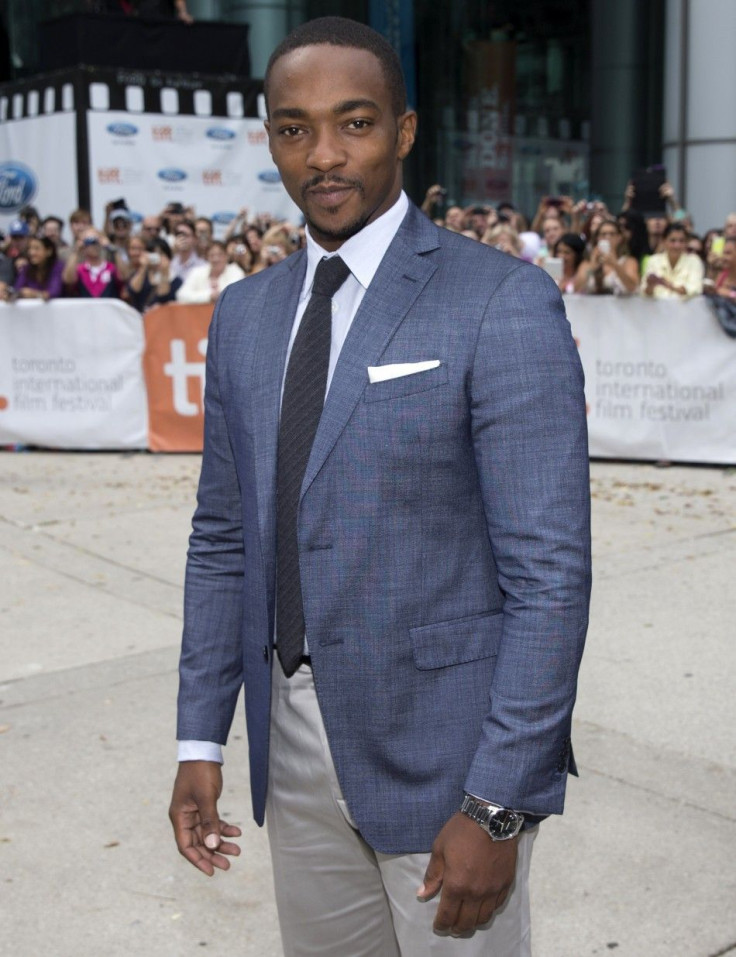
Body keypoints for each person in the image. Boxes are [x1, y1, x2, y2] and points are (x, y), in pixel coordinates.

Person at [169, 16, 590, 957]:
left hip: (446, 759)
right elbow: (223, 538)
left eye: (354, 123)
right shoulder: (243, 315)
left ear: (403, 130)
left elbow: (550, 577)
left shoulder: (499, 301)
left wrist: (498, 804)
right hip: (294, 742)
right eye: (294, 127)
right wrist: (201, 741)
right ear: (270, 137)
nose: (324, 154)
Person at [641, 222, 704, 300]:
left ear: (686, 243)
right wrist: (650, 286)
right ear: (664, 241)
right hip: (657, 309)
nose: (677, 246)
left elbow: (694, 291)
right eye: (672, 241)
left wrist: (666, 284)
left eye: (681, 241)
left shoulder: (694, 261)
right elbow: (645, 293)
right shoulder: (653, 260)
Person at [175, 240, 244, 303]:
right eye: (212, 255)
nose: (215, 259)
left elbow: (235, 294)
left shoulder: (236, 271)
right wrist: (209, 296)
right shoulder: (197, 272)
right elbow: (181, 295)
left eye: (220, 255)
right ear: (207, 257)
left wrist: (218, 295)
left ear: (226, 256)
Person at [583, 220, 639, 296]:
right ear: (597, 238)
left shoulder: (629, 262)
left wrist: (615, 265)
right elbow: (577, 289)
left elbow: (633, 288)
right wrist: (592, 267)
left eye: (612, 234)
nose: (607, 237)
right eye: (603, 234)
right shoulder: (587, 263)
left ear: (619, 238)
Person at [62, 228, 121, 298]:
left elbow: (124, 277)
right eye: (89, 241)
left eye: (96, 241)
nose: (94, 245)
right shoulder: (80, 269)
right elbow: (68, 280)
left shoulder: (111, 267)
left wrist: (111, 248)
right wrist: (76, 252)